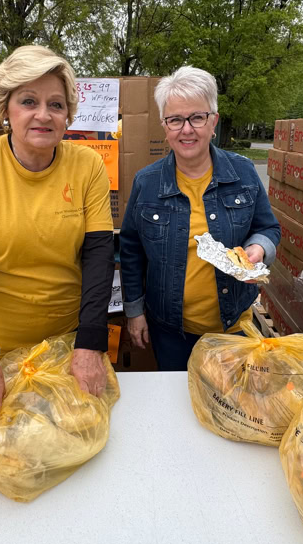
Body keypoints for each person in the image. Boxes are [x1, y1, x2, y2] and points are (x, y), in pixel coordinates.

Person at [0, 45, 116, 427]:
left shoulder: (88, 166)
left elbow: (99, 259)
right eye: (29, 101)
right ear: (5, 109)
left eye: (56, 104)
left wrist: (90, 344)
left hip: (69, 347)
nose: (43, 115)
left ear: (68, 115)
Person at [119, 66, 280, 370]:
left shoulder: (243, 172)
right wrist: (134, 312)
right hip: (170, 331)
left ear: (213, 121)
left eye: (197, 117)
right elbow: (131, 250)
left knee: (229, 397)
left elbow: (267, 227)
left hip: (233, 327)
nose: (186, 129)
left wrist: (258, 248)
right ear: (164, 126)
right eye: (175, 120)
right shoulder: (147, 183)